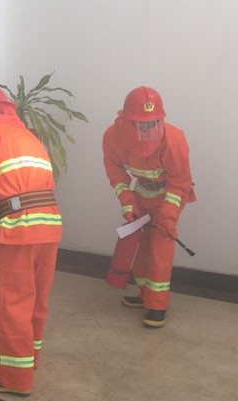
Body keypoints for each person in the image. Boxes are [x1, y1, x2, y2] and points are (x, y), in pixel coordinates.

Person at [0, 85, 62, 397]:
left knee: (12, 303)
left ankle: (14, 378)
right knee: (36, 298)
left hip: (17, 228)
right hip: (50, 225)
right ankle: (29, 360)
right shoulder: (29, 137)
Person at [102, 86, 195, 328]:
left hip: (169, 196)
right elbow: (116, 176)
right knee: (141, 246)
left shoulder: (173, 140)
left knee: (160, 248)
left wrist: (168, 216)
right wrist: (128, 203)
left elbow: (180, 183)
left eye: (152, 123)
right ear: (126, 121)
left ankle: (158, 305)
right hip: (142, 193)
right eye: (142, 124)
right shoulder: (112, 138)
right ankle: (144, 294)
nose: (148, 129)